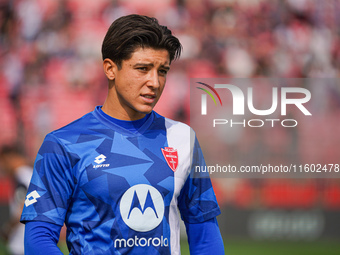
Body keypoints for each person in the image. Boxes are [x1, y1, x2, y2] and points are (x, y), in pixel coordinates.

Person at [20, 14, 225, 255]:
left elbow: (205, 234)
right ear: (110, 69)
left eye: (162, 71)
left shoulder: (182, 137)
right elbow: (38, 239)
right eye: (142, 69)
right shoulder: (63, 144)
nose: (155, 82)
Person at [0, 146, 32, 255]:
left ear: (10, 158)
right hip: (33, 240)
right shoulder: (31, 174)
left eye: (2, 160)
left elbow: (23, 208)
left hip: (22, 242)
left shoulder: (22, 176)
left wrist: (7, 230)